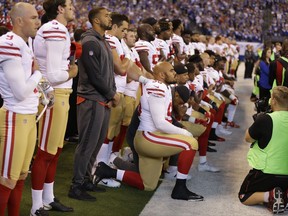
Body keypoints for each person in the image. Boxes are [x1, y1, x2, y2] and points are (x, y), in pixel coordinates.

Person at [93, 62, 204, 201]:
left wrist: (143, 78)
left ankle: (107, 170)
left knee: (148, 184)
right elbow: (160, 123)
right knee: (190, 143)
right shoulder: (157, 88)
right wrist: (184, 133)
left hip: (150, 136)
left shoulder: (158, 85)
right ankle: (180, 189)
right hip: (149, 137)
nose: (174, 72)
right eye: (171, 71)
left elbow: (133, 69)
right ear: (162, 75)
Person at [30, 0, 78, 214]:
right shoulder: (55, 30)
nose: (73, 9)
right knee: (45, 151)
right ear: (60, 8)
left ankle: (48, 197)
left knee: (55, 150)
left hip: (58, 93)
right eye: (70, 5)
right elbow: (52, 75)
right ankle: (36, 206)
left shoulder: (56, 29)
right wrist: (72, 72)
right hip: (53, 93)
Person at [68, 7, 118, 202]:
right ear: (96, 20)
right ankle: (77, 185)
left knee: (96, 143)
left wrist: (111, 93)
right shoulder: (90, 41)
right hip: (91, 98)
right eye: (106, 15)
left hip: (101, 99)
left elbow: (108, 72)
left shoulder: (101, 40)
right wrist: (111, 93)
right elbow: (94, 74)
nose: (110, 17)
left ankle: (87, 179)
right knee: (87, 143)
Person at [0, 3, 42, 216]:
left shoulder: (24, 43)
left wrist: (44, 88)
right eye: (34, 17)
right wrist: (38, 74)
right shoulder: (8, 43)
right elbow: (20, 92)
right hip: (14, 116)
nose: (38, 21)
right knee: (7, 178)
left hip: (27, 115)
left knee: (20, 176)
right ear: (18, 21)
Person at [239, 86, 288, 214]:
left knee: (244, 196)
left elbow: (248, 138)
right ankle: (284, 195)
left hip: (267, 173)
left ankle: (270, 196)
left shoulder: (265, 119)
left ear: (274, 101)